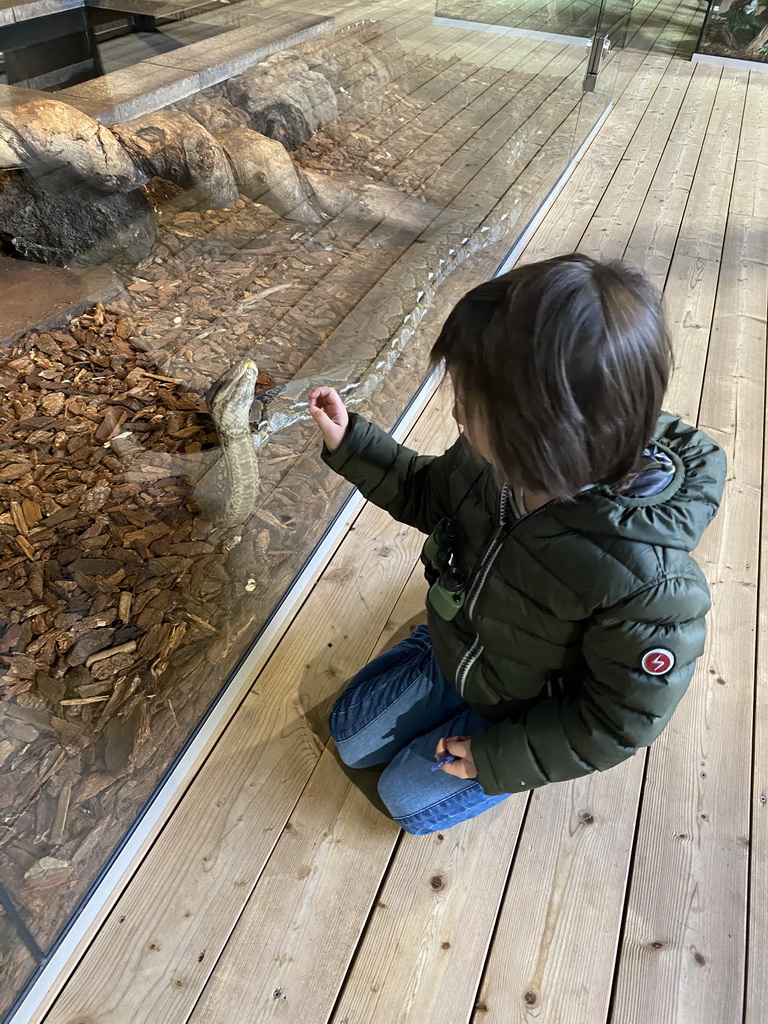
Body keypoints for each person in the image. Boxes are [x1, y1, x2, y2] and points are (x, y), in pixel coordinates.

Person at [307, 253, 726, 836]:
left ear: (543, 438)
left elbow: (615, 722)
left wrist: (498, 758)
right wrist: (355, 445)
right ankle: (439, 652)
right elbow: (430, 494)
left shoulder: (650, 588)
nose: (454, 412)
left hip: (526, 708)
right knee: (349, 735)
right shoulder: (496, 463)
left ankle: (468, 717)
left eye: (470, 405)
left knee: (406, 802)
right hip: (463, 648)